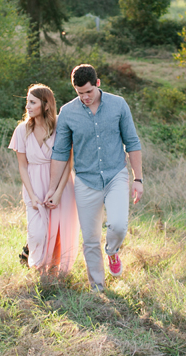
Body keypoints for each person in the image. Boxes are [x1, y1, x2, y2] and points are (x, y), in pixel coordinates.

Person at [45, 64, 143, 291]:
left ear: (97, 84)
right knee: (90, 239)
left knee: (118, 225)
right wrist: (52, 188)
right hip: (85, 181)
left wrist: (138, 179)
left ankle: (112, 252)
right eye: (80, 93)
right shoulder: (68, 112)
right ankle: (98, 288)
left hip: (115, 175)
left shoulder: (118, 104)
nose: (85, 97)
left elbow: (133, 142)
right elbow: (60, 152)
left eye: (88, 92)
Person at [8, 84, 79, 274]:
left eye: (32, 102)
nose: (27, 107)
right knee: (38, 232)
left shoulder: (60, 128)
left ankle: (51, 274)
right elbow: (23, 166)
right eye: (27, 102)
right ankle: (32, 254)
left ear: (46, 105)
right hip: (34, 184)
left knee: (57, 233)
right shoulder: (22, 130)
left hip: (61, 186)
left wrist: (57, 192)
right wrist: (31, 194)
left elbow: (68, 163)